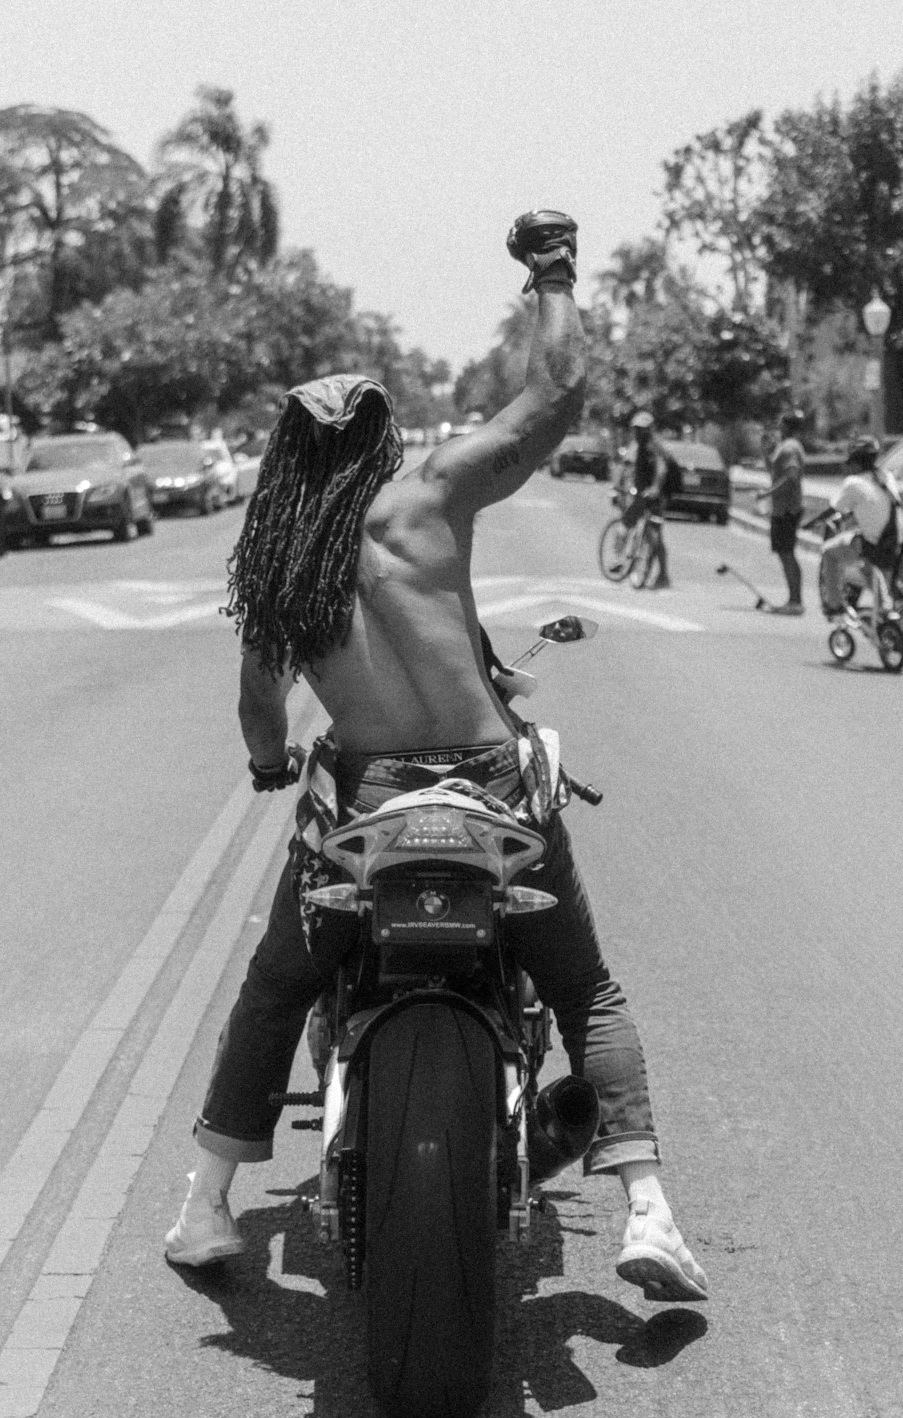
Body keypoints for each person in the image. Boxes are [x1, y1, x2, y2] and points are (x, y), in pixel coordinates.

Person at [165, 210, 707, 1303]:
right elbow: (555, 396)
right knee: (583, 988)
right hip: (490, 784)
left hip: (368, 798)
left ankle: (208, 1203)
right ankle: (647, 1208)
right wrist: (550, 272)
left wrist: (274, 765)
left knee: (278, 985)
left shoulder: (278, 563)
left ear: (284, 458)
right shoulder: (430, 496)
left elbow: (259, 706)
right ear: (381, 442)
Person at [818, 434, 902, 619]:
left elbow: (832, 510)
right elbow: (876, 506)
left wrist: (811, 523)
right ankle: (885, 617)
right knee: (877, 574)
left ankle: (834, 605)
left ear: (856, 462)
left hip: (875, 544)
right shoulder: (884, 476)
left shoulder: (853, 483)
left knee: (829, 552)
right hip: (896, 541)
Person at [756, 410, 807, 615]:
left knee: (788, 554)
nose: (778, 427)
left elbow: (792, 477)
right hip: (781, 508)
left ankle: (795, 601)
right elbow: (775, 472)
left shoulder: (791, 448)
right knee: (784, 553)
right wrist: (766, 452)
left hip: (788, 509)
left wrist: (767, 493)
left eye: (781, 424)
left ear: (787, 426)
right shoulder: (783, 448)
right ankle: (793, 599)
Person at [620, 411, 672, 589]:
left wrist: (655, 488)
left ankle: (663, 575)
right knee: (628, 523)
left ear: (649, 430)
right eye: (636, 428)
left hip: (656, 495)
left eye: (642, 429)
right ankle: (625, 561)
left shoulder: (653, 446)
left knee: (655, 535)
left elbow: (661, 469)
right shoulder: (637, 445)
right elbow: (629, 467)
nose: (638, 432)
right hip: (642, 493)